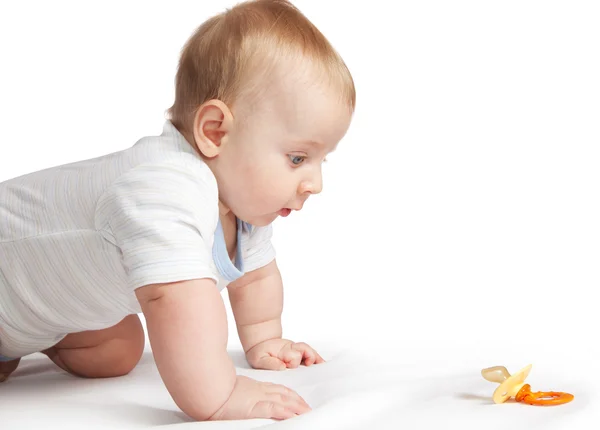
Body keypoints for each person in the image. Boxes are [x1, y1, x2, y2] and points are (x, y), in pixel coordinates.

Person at [0, 0, 355, 421]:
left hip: (45, 305)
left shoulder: (242, 203)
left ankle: (27, 340)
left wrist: (264, 340)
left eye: (321, 160)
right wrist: (219, 394)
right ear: (214, 132)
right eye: (298, 158)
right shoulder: (164, 187)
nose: (314, 184)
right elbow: (176, 300)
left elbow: (255, 275)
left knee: (118, 351)